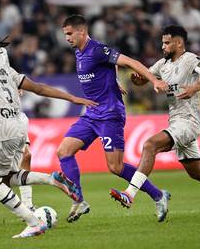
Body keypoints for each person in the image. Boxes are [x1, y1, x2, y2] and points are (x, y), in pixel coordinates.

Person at [0, 24, 96, 238]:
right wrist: (72, 97)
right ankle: (52, 179)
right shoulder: (5, 70)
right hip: (20, 125)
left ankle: (32, 222)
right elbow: (39, 88)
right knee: (8, 177)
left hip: (0, 129)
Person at [110, 25, 200, 220]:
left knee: (150, 145)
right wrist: (137, 79)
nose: (163, 46)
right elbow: (144, 79)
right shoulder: (162, 64)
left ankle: (130, 194)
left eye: (167, 42)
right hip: (176, 121)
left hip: (189, 121)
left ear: (179, 43)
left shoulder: (190, 60)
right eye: (162, 42)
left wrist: (195, 87)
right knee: (197, 172)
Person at [57, 14, 170, 223]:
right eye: (65, 34)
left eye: (69, 34)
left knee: (116, 167)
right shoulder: (78, 52)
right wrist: (115, 79)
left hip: (110, 114)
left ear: (81, 31)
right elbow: (111, 65)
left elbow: (130, 61)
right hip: (92, 113)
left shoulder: (97, 49)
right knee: (63, 151)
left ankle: (159, 195)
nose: (67, 38)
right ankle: (79, 201)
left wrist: (153, 80)